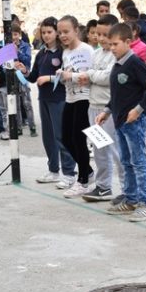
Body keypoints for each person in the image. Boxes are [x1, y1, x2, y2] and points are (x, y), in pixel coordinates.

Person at [96, 22, 146, 221]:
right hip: (120, 121)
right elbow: (117, 95)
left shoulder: (135, 63)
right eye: (110, 44)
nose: (112, 48)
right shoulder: (118, 63)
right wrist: (107, 111)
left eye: (115, 44)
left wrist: (138, 110)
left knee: (139, 162)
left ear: (128, 42)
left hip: (134, 122)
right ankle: (130, 199)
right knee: (126, 162)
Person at [17, 17, 76, 184]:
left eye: (49, 32)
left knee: (61, 136)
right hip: (44, 98)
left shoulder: (64, 53)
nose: (46, 35)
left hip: (59, 99)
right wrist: (24, 71)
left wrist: (49, 78)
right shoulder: (41, 53)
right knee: (48, 137)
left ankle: (69, 173)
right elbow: (34, 77)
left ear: (57, 32)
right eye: (43, 32)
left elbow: (69, 75)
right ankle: (53, 170)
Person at [77, 14, 123, 203]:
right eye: (98, 34)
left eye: (106, 34)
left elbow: (108, 77)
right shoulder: (95, 54)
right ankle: (103, 186)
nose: (101, 38)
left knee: (116, 151)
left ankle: (127, 189)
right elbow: (90, 77)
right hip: (93, 107)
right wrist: (88, 77)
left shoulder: (116, 55)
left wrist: (90, 75)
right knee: (99, 150)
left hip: (109, 109)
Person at [56, 15, 94, 197]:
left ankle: (83, 180)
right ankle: (88, 170)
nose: (63, 35)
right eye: (60, 32)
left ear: (76, 30)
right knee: (66, 138)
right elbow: (68, 75)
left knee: (78, 139)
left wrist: (72, 76)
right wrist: (62, 76)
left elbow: (92, 74)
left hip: (85, 98)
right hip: (70, 97)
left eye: (66, 31)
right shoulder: (65, 53)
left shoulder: (87, 50)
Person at [12, 23, 37, 137]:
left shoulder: (25, 46)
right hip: (12, 77)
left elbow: (28, 59)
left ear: (19, 34)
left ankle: (32, 127)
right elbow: (1, 63)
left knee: (27, 103)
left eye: (15, 34)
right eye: (11, 35)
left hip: (23, 76)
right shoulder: (6, 46)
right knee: (15, 104)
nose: (14, 37)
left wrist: (17, 52)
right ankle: (18, 127)